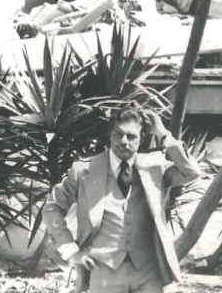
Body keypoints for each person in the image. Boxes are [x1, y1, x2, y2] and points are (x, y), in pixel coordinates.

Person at [43, 106, 201, 293]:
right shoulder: (85, 170)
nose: (124, 141)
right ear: (110, 136)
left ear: (141, 138)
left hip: (148, 271)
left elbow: (191, 173)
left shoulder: (155, 167)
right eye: (118, 135)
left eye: (131, 136)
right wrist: (71, 251)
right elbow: (52, 207)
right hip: (103, 268)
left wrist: (163, 134)